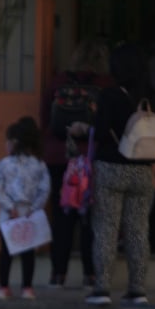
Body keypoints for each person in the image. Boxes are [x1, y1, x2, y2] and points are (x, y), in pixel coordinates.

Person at [87, 44, 155, 306]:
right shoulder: (153, 97)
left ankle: (102, 289)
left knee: (106, 228)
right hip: (144, 171)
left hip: (111, 168)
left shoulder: (108, 96)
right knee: (139, 231)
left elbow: (98, 131)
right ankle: (138, 290)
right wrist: (153, 173)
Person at [41, 40, 112, 288]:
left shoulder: (58, 81)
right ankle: (90, 274)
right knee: (91, 217)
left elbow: (44, 117)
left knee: (61, 216)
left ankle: (57, 275)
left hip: (59, 156)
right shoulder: (104, 85)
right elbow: (107, 124)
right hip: (91, 159)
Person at [0, 117, 51, 300]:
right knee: (28, 253)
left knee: (5, 252)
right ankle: (27, 288)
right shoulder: (39, 165)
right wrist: (34, 207)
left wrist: (9, 207)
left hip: (7, 214)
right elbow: (44, 189)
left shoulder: (3, 163)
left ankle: (3, 287)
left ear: (13, 142)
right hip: (29, 213)